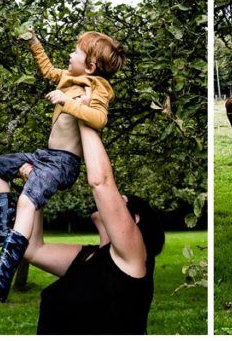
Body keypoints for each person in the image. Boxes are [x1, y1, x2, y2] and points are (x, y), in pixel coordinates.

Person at [0, 31, 125, 301]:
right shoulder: (69, 77)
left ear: (90, 66)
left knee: (27, 202)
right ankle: (0, 229)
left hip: (64, 162)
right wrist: (34, 42)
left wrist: (68, 103)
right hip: (46, 156)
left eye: (76, 52)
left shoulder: (98, 86)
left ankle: (2, 273)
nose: (69, 55)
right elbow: (48, 70)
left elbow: (99, 119)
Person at [25, 122, 164, 334]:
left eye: (119, 201)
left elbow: (101, 183)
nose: (109, 204)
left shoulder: (134, 256)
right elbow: (33, 250)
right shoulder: (88, 256)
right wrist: (37, 189)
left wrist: (86, 117)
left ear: (134, 220)